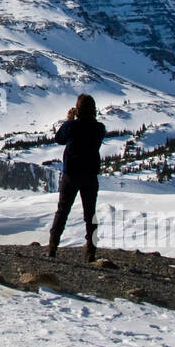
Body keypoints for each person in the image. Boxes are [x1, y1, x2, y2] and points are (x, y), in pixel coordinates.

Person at [47, 94, 106, 261]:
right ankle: (91, 252)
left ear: (78, 109)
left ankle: (52, 248)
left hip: (71, 174)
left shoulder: (72, 126)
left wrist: (69, 120)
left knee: (63, 210)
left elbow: (59, 139)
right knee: (90, 214)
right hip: (90, 175)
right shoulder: (99, 128)